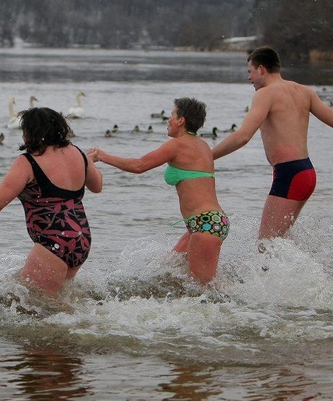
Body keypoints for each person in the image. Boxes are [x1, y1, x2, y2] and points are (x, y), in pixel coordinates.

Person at [212, 46, 333, 241]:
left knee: (266, 244)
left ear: (261, 69)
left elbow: (243, 136)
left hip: (289, 174)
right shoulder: (304, 91)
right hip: (305, 172)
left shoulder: (265, 94)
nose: (249, 78)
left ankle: (295, 272)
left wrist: (207, 156)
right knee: (279, 243)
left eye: (250, 72)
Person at [0, 107, 103, 295]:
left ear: (32, 132)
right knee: (46, 297)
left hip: (54, 241)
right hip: (81, 239)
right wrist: (89, 161)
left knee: (39, 306)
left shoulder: (28, 162)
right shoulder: (78, 154)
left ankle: (88, 324)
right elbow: (97, 186)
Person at [87, 97, 229, 284]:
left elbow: (139, 165)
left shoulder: (178, 144)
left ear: (181, 120)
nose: (168, 120)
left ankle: (244, 310)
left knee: (204, 289)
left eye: (172, 115)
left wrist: (102, 156)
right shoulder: (201, 144)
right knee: (169, 270)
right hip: (207, 222)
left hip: (206, 224)